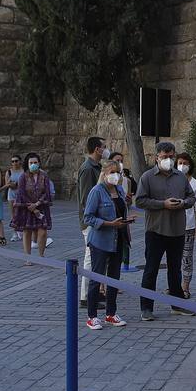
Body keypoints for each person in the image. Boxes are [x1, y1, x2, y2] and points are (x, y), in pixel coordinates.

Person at [134, 141, 193, 321]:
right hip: (156, 230)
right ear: (156, 157)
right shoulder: (147, 177)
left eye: (171, 157)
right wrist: (163, 204)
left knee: (175, 270)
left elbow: (191, 197)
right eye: (164, 157)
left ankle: (177, 304)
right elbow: (140, 201)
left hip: (177, 231)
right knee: (151, 270)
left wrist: (182, 203)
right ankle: (146, 307)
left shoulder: (180, 177)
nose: (168, 160)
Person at [83, 160, 134, 329]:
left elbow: (120, 211)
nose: (115, 175)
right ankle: (92, 316)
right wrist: (109, 224)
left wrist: (126, 221)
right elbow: (88, 217)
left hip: (118, 240)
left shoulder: (119, 190)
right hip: (100, 241)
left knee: (114, 278)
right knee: (96, 277)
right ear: (104, 173)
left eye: (118, 172)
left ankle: (111, 314)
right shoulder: (96, 191)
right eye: (112, 172)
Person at [76, 136, 106, 302]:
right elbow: (87, 199)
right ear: (97, 149)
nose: (105, 150)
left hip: (97, 220)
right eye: (104, 147)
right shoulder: (88, 169)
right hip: (91, 221)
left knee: (98, 258)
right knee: (90, 257)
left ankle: (96, 292)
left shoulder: (96, 167)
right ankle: (86, 296)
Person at [176, 152, 196, 299]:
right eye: (179, 162)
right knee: (173, 258)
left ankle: (185, 287)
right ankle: (174, 285)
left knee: (187, 258)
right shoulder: (172, 180)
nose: (182, 166)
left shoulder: (194, 183)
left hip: (188, 226)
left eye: (185, 163)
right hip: (172, 226)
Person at [11, 152, 53, 257]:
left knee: (43, 232)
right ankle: (28, 257)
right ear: (27, 164)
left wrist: (38, 203)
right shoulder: (23, 177)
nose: (33, 164)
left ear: (39, 163)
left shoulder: (44, 176)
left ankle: (41, 255)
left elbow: (46, 192)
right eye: (31, 163)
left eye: (35, 162)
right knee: (27, 232)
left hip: (41, 207)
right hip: (27, 208)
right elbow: (21, 193)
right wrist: (32, 207)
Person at [110, 151, 137, 270]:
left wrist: (128, 200)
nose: (119, 163)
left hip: (123, 219)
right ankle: (102, 285)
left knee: (120, 251)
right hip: (110, 221)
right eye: (117, 161)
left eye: (121, 161)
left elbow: (128, 203)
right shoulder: (105, 181)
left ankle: (113, 284)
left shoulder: (127, 181)